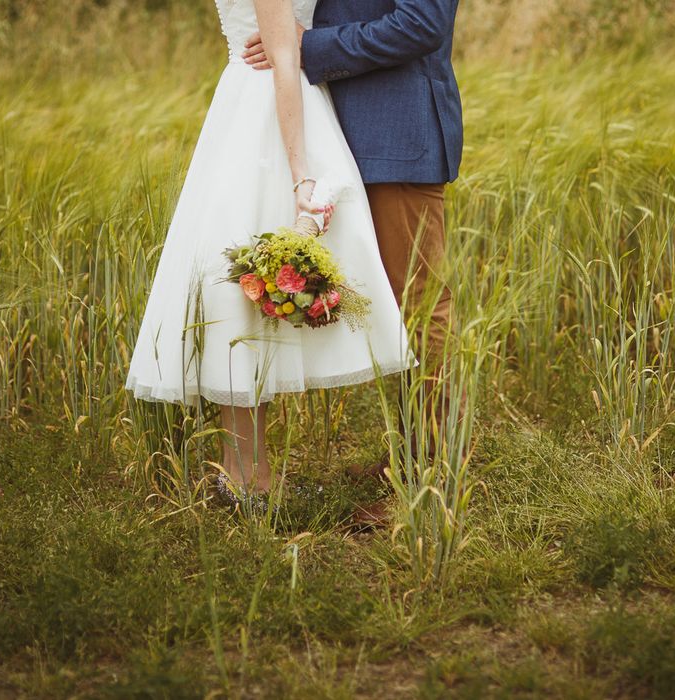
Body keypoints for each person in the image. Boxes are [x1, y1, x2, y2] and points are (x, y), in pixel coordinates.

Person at [125, 0, 414, 505]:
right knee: (248, 293)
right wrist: (302, 174)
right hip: (273, 117)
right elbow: (282, 54)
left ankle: (243, 474)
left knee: (244, 298)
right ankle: (247, 478)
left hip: (252, 105)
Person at [242, 0, 463, 521]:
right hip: (340, 132)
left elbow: (423, 24)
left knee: (419, 304)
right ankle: (409, 459)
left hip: (396, 133)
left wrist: (307, 46)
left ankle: (430, 481)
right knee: (392, 308)